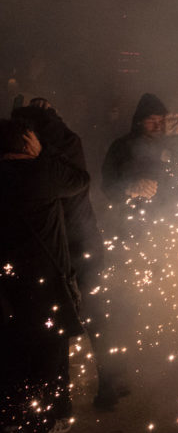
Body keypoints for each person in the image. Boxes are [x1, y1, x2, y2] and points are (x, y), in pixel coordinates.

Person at [11, 98, 127, 410]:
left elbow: (69, 181)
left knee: (82, 317)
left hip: (72, 249)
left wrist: (40, 156)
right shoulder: (64, 144)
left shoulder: (54, 155)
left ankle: (99, 385)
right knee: (87, 316)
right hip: (73, 247)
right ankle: (106, 380)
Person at [0, 116, 89, 433]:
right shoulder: (40, 174)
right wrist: (46, 151)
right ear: (29, 144)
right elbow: (79, 178)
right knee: (50, 353)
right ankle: (44, 423)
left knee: (10, 351)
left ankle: (10, 423)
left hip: (8, 287)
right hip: (46, 284)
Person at [101, 93, 178, 219]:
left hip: (171, 217)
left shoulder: (173, 145)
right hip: (132, 221)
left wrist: (176, 138)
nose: (157, 126)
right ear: (140, 121)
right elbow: (107, 185)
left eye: (161, 121)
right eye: (151, 121)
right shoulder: (121, 147)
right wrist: (129, 188)